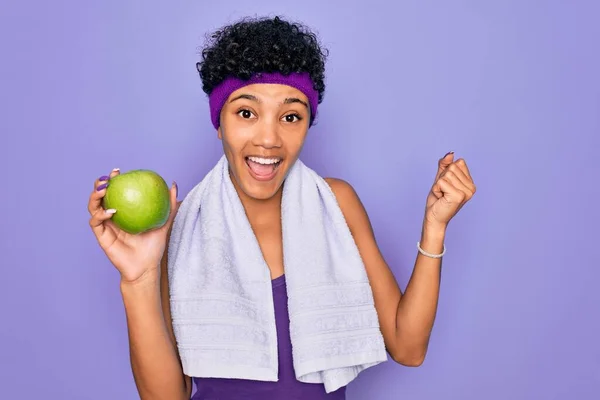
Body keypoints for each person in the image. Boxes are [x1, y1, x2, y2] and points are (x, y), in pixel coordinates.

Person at [87, 15, 476, 400]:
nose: (269, 138)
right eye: (246, 113)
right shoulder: (179, 225)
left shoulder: (337, 203)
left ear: (308, 124)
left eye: (290, 116)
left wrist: (435, 227)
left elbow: (408, 349)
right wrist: (138, 280)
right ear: (218, 122)